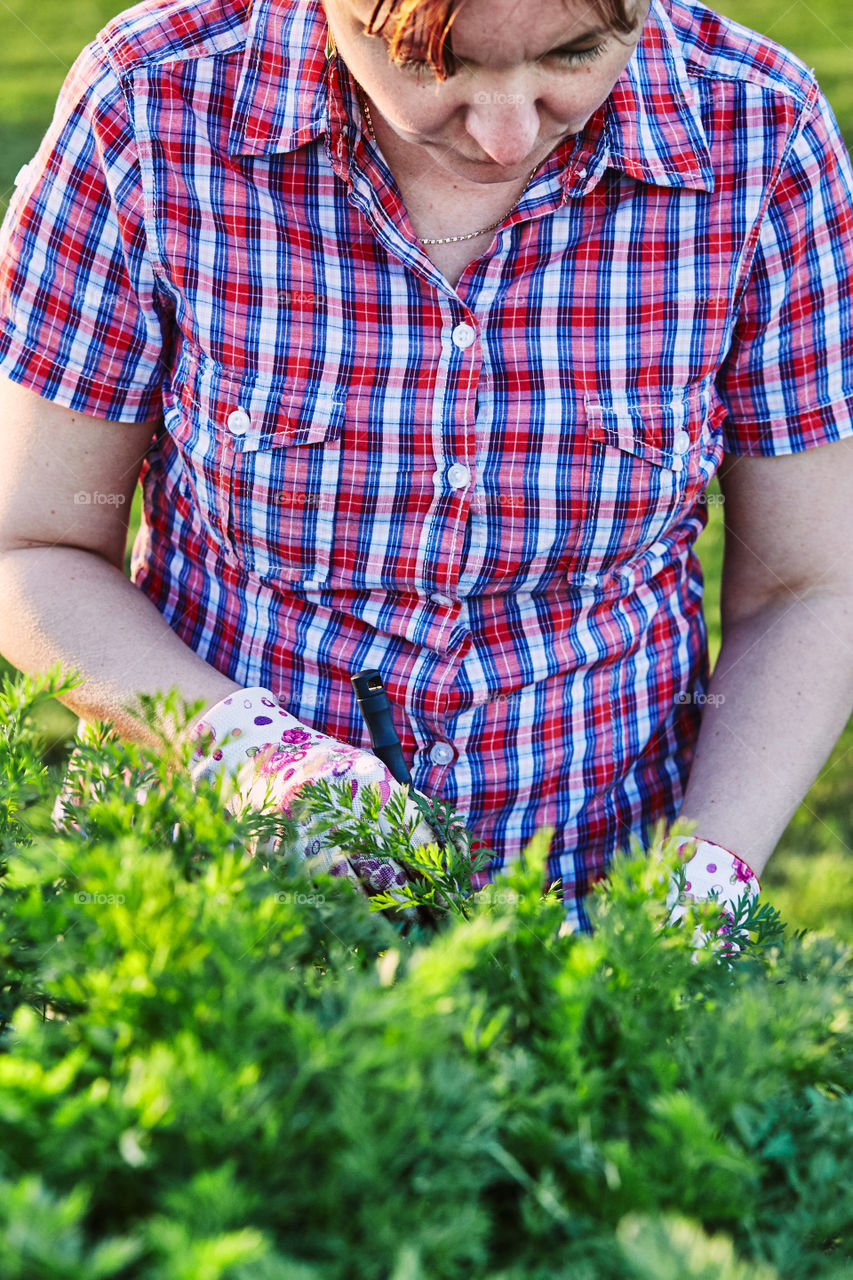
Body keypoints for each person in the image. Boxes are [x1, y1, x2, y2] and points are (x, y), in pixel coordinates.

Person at [1, 0, 853, 934]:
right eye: (431, 64)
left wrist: (703, 873)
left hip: (602, 898)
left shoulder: (760, 131)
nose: (505, 134)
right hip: (212, 912)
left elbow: (810, 587)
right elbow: (31, 545)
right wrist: (251, 756)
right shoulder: (153, 105)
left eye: (574, 53)